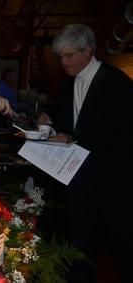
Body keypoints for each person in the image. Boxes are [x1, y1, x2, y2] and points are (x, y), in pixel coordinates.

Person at [38, 24, 132, 282]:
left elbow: (119, 132)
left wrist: (73, 138)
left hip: (113, 183)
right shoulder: (69, 83)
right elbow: (72, 121)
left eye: (69, 55)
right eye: (60, 57)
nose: (63, 61)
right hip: (79, 181)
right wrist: (50, 121)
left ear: (88, 51)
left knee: (122, 247)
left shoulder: (116, 82)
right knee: (80, 247)